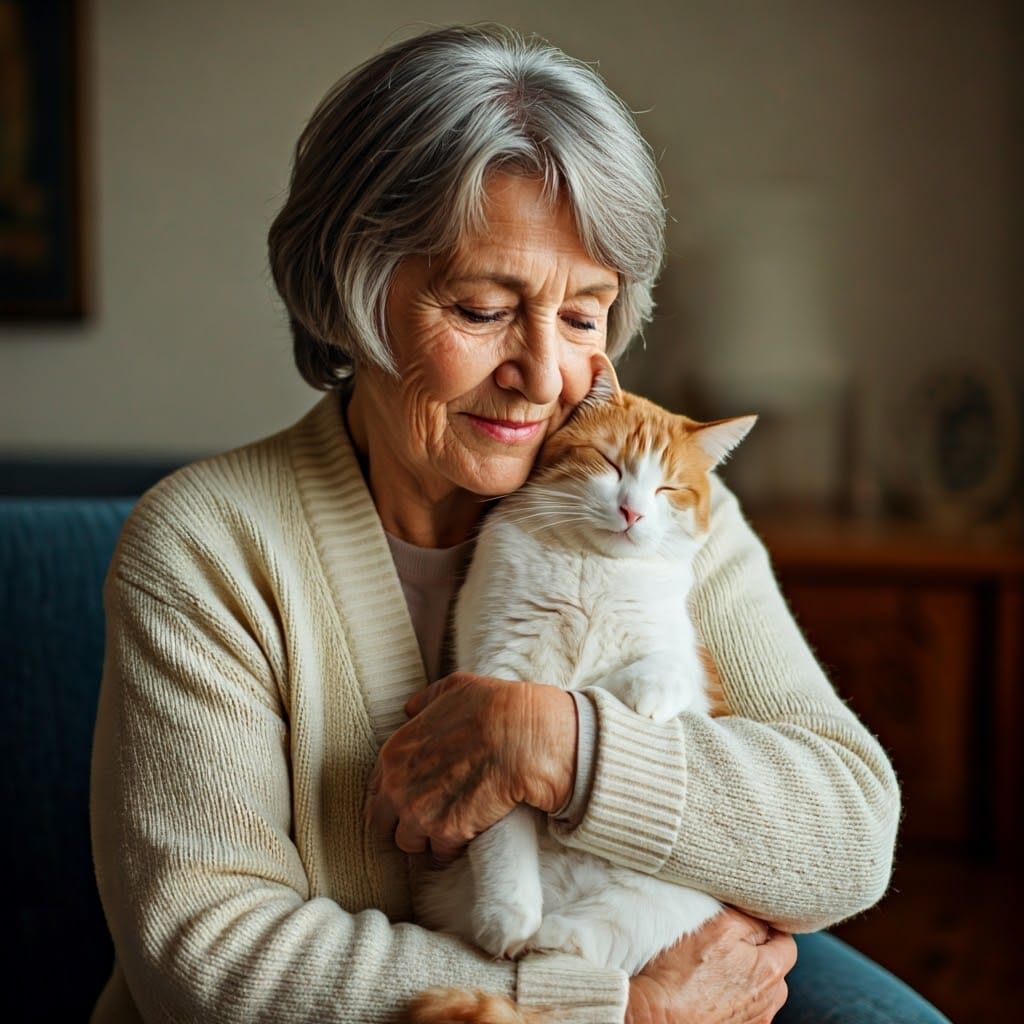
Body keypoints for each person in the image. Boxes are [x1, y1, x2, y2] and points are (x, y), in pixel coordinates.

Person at [89, 24, 948, 1024]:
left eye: (584, 316)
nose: (542, 375)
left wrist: (563, 744)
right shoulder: (206, 546)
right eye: (484, 305)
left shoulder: (662, 520)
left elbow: (845, 835)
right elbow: (204, 952)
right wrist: (605, 1010)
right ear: (352, 294)